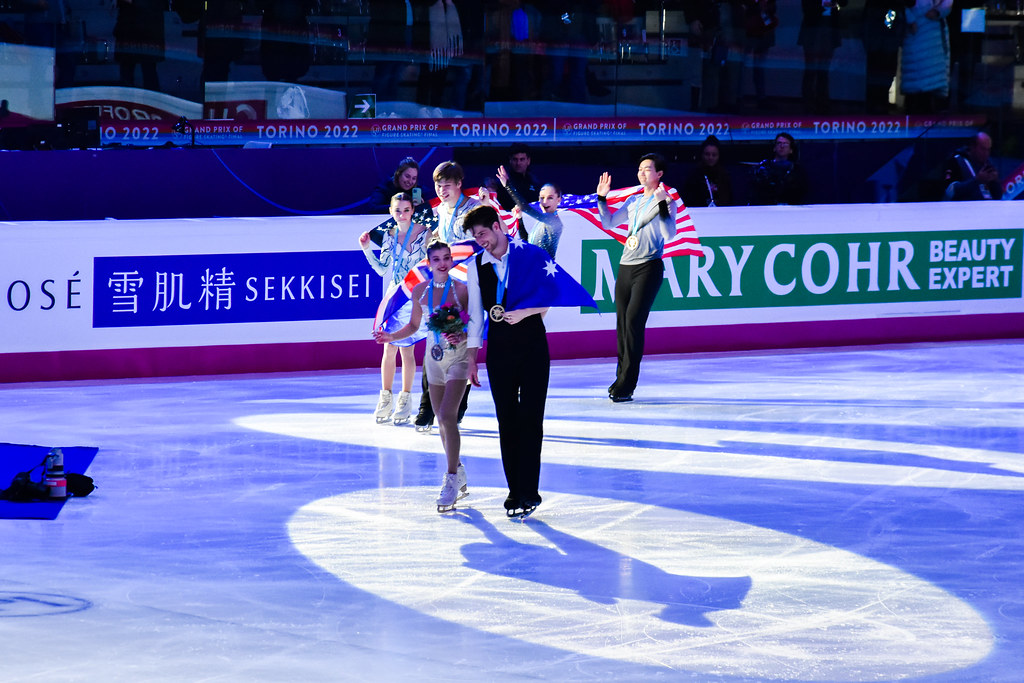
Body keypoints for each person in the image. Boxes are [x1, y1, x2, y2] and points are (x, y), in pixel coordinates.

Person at [462, 206, 549, 517]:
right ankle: (515, 491)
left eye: (483, 234)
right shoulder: (476, 265)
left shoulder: (528, 255)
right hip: (499, 349)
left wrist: (525, 313)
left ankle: (531, 490)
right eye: (475, 237)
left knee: (531, 419)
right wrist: (472, 358)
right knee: (507, 420)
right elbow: (474, 316)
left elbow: (546, 297)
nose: (480, 241)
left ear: (498, 226)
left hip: (533, 344)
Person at [374, 241, 470, 511]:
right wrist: (392, 336)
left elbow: (475, 322)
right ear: (428, 263)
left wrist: (460, 334)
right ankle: (458, 469)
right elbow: (415, 326)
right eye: (437, 258)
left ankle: (451, 478)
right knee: (440, 417)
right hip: (434, 358)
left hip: (458, 358)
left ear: (452, 261)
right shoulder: (420, 291)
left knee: (449, 415)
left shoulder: (461, 290)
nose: (442, 263)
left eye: (447, 258)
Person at [596, 153, 678, 403]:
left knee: (633, 323)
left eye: (647, 169)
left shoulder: (666, 200)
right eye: (640, 169)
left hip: (649, 266)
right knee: (622, 324)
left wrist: (663, 205)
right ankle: (620, 379)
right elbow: (609, 223)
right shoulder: (633, 200)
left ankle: (627, 384)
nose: (642, 173)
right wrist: (602, 198)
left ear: (659, 174)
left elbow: (669, 233)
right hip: (625, 265)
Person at [413, 160, 481, 433]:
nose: (442, 190)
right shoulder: (436, 211)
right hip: (441, 287)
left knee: (460, 348)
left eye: (447, 185)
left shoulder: (474, 208)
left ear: (459, 184)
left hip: (466, 287)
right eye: (439, 185)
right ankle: (426, 409)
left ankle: (457, 408)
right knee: (435, 343)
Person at [359, 192, 432, 425]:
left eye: (406, 210)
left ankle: (405, 399)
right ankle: (385, 397)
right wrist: (366, 248)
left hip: (414, 296)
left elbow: (429, 266)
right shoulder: (389, 237)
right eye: (397, 210)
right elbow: (382, 269)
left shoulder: (425, 234)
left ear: (413, 210)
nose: (402, 214)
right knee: (388, 347)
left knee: (407, 350)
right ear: (391, 212)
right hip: (394, 296)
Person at [496, 165, 563, 258]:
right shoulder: (542, 222)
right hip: (534, 268)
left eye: (550, 198)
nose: (545, 202)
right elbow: (528, 244)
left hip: (543, 270)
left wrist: (508, 186)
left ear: (559, 200)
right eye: (542, 198)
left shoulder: (553, 220)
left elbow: (524, 207)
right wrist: (520, 219)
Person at [900, 0, 952, 114]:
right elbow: (897, 6)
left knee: (931, 82)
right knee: (917, 78)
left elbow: (947, 3)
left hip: (933, 32)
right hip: (917, 29)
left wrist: (938, 12)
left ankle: (924, 113)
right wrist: (910, 19)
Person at [798, 0, 845, 114]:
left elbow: (844, 2)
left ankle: (821, 103)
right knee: (812, 71)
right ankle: (810, 104)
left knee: (823, 71)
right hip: (814, 30)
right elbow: (807, 7)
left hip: (828, 30)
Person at [862, 0, 906, 114]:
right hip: (878, 38)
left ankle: (880, 103)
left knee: (885, 71)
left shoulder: (892, 9)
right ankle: (875, 104)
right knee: (877, 71)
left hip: (886, 38)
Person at [113, 0, 166, 91]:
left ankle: (147, 100)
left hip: (144, 31)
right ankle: (130, 100)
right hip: (132, 31)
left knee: (147, 71)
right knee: (132, 71)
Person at [750, 132, 808, 205]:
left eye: (785, 144)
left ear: (791, 150)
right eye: (779, 143)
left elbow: (800, 190)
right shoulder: (764, 167)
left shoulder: (797, 170)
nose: (782, 146)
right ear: (774, 148)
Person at [943, 132, 1002, 200]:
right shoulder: (957, 161)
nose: (986, 153)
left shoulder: (989, 163)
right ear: (972, 147)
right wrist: (977, 180)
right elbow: (950, 192)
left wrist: (995, 181)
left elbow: (998, 196)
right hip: (966, 208)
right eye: (983, 149)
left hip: (987, 207)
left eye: (988, 150)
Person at [682, 135, 734, 207]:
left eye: (714, 155)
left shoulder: (724, 176)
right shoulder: (694, 176)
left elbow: (729, 201)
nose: (710, 157)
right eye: (707, 154)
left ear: (719, 156)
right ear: (702, 155)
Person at [493, 143, 540, 212]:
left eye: (522, 159)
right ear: (510, 160)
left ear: (528, 161)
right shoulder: (501, 183)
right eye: (515, 159)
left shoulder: (535, 182)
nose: (518, 163)